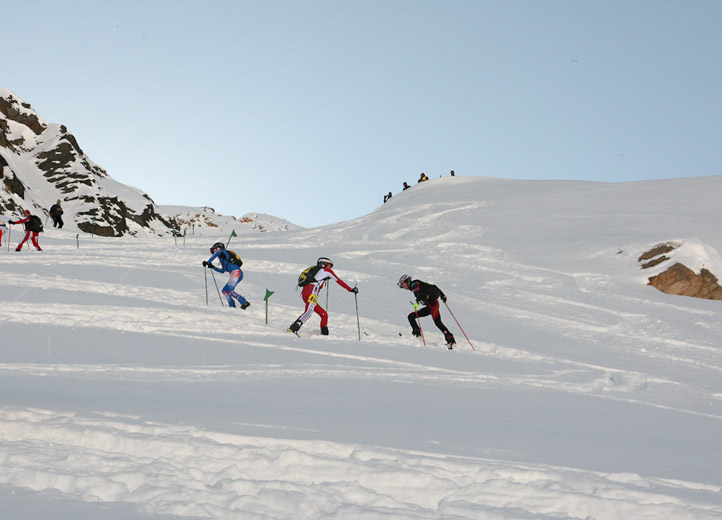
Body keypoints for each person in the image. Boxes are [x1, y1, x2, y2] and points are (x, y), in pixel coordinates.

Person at [288, 257, 358, 336]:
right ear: (324, 264)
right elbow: (339, 281)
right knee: (308, 313)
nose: (330, 268)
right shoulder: (327, 271)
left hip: (306, 293)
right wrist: (351, 289)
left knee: (324, 314)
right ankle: (293, 328)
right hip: (312, 293)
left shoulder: (318, 271)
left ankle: (324, 334)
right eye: (329, 265)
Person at [397, 274, 456, 349]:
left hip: (433, 305)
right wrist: (442, 295)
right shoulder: (415, 285)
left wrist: (418, 301)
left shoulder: (414, 284)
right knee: (411, 316)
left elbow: (419, 293)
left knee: (438, 323)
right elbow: (432, 287)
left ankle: (450, 340)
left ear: (407, 282)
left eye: (403, 285)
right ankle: (417, 334)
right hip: (430, 306)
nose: (403, 287)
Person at [202, 242, 250, 309]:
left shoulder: (223, 252)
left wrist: (208, 262)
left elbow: (217, 253)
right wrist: (212, 267)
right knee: (224, 290)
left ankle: (244, 302)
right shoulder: (223, 259)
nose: (213, 252)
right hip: (235, 274)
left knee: (230, 291)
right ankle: (231, 305)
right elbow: (222, 271)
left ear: (218, 248)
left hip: (236, 273)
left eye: (214, 250)